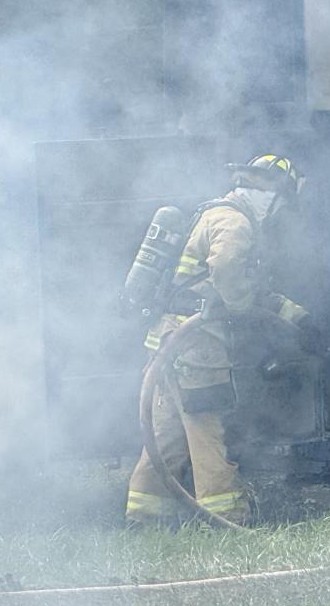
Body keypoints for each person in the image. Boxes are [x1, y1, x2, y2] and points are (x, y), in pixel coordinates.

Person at [125, 154, 312, 527]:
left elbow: (252, 289)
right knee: (206, 427)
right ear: (270, 193)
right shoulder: (235, 221)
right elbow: (227, 272)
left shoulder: (214, 212)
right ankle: (227, 518)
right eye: (282, 201)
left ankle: (144, 517)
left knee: (164, 435)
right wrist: (241, 308)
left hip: (168, 341)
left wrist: (298, 317)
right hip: (197, 345)